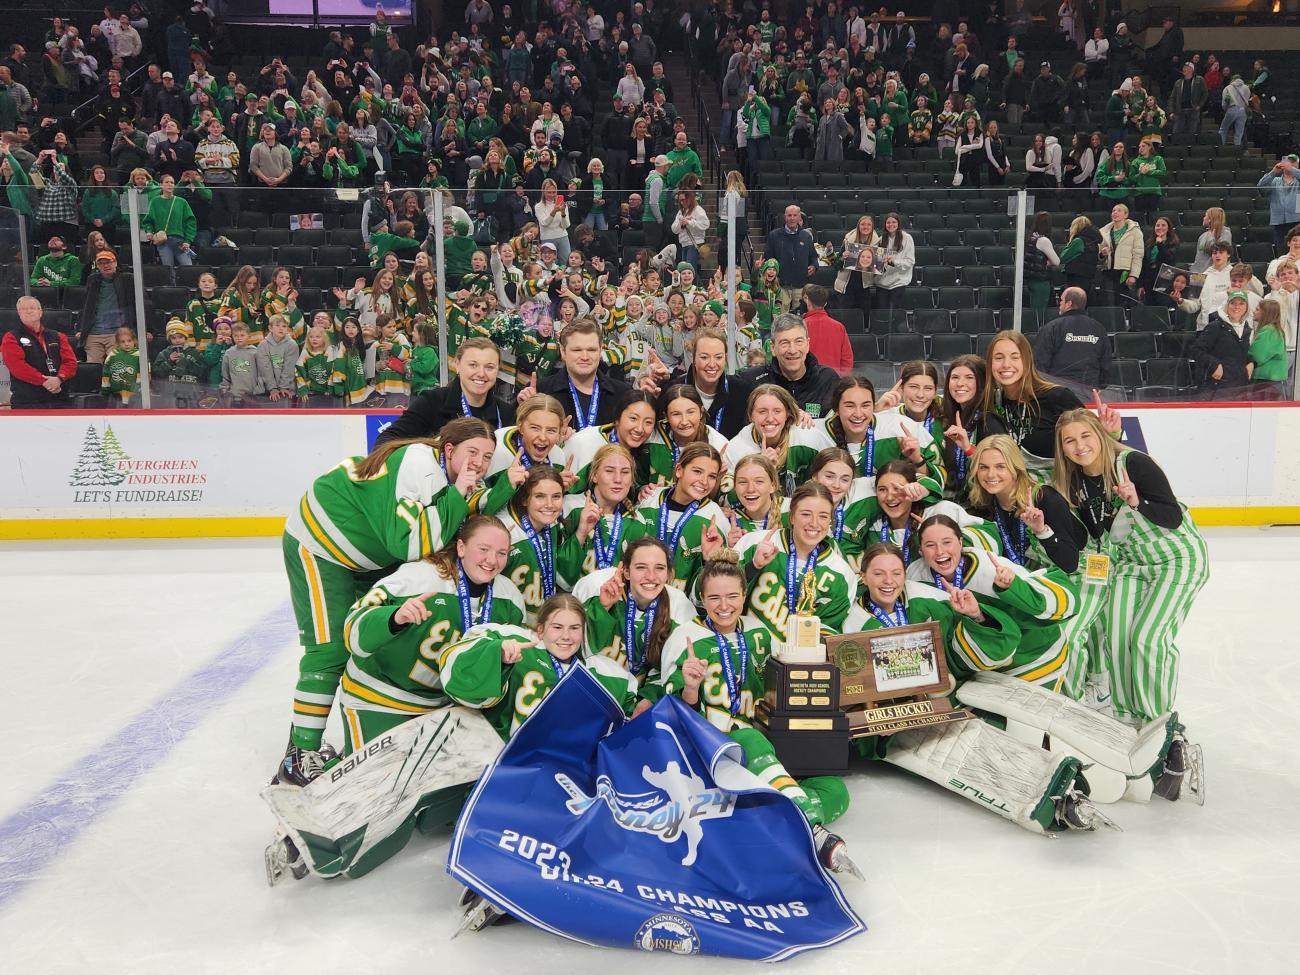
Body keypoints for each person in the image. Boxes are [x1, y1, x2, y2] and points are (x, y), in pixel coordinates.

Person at [273, 419, 497, 786]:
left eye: (487, 456)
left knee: (378, 638)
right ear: (450, 449)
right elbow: (405, 544)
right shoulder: (419, 465)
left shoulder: (449, 472)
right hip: (320, 546)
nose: (480, 462)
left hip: (365, 556)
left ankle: (334, 734)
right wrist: (458, 494)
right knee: (329, 651)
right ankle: (299, 755)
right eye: (472, 452)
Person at [659, 552, 857, 876]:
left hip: (760, 746)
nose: (724, 605)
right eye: (714, 598)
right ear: (703, 600)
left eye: (732, 596)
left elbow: (778, 683)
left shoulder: (758, 632)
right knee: (750, 737)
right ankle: (812, 830)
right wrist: (691, 687)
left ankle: (767, 817)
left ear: (744, 595)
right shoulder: (686, 637)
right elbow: (675, 717)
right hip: (714, 750)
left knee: (835, 790)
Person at [1053, 408, 1208, 721]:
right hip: (1128, 565)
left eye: (1085, 435)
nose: (1079, 445)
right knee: (1118, 640)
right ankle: (1128, 718)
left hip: (1175, 561)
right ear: (1063, 449)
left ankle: (1158, 721)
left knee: (1146, 639)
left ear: (1099, 434)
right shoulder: (1073, 483)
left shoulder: (1133, 463)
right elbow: (1096, 536)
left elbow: (1172, 516)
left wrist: (1137, 502)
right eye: (1070, 441)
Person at [908, 513, 1078, 690]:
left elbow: (1064, 601)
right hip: (981, 671)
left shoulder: (992, 569)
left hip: (1034, 661)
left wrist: (1014, 588)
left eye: (947, 542)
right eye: (930, 545)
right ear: (920, 550)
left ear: (960, 542)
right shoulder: (915, 575)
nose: (940, 551)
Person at [736, 482, 858, 635]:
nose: (814, 523)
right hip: (749, 652)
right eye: (806, 514)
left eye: (823, 516)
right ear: (792, 516)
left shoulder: (842, 574)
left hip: (803, 658)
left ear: (830, 521)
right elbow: (715, 596)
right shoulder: (754, 543)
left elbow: (828, 636)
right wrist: (754, 566)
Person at [984, 331, 1090, 476]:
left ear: (1027, 360)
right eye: (998, 358)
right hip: (1013, 488)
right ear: (990, 363)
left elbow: (1092, 444)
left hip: (1058, 489)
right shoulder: (993, 402)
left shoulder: (1057, 397)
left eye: (1015, 357)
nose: (1006, 364)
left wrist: (1113, 433)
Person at [378, 338, 515, 443]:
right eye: (473, 365)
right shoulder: (432, 402)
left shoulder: (505, 413)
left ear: (498, 370)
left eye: (489, 367)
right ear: (457, 365)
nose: (481, 373)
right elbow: (386, 440)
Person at [740, 314, 841, 418]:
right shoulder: (751, 380)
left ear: (807, 344)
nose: (792, 350)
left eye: (799, 342)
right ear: (773, 348)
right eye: (785, 343)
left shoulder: (828, 380)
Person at [1, 296, 77, 408]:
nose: (28, 311)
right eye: (23, 309)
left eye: (32, 307)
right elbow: (17, 366)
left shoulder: (58, 336)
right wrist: (43, 381)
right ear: (19, 313)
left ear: (40, 312)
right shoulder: (11, 337)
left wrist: (59, 378)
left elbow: (70, 362)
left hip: (59, 397)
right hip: (27, 401)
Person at [1033, 287, 1112, 388]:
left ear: (1069, 303)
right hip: (1090, 393)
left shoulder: (1052, 328)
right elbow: (1106, 364)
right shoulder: (1099, 329)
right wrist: (1100, 387)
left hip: (1058, 392)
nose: (1059, 304)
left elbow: (1040, 363)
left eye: (1061, 300)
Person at [77, 250, 135, 365]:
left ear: (115, 263)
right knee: (92, 368)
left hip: (116, 333)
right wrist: (81, 329)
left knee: (116, 366)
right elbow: (87, 306)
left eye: (108, 262)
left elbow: (140, 303)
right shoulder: (92, 280)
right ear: (97, 266)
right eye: (102, 263)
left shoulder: (127, 279)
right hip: (93, 334)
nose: (106, 265)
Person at [1190, 289, 1252, 390]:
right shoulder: (1215, 326)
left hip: (1239, 386)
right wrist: (1215, 365)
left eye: (1241, 303)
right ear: (1227, 305)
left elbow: (1240, 353)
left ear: (1246, 308)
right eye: (1233, 303)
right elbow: (1196, 350)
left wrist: (1251, 362)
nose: (1237, 307)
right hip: (1216, 387)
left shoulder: (1246, 328)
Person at [764, 205, 816, 312]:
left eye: (795, 215)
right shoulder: (774, 235)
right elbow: (768, 258)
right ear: (785, 217)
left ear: (799, 218)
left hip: (800, 284)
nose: (792, 218)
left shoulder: (806, 236)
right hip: (781, 285)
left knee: (800, 317)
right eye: (789, 215)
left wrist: (814, 266)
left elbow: (813, 256)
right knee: (781, 318)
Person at [801, 285, 853, 375]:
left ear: (807, 301)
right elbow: (847, 359)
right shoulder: (839, 327)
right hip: (834, 381)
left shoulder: (801, 326)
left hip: (807, 381)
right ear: (825, 303)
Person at [1098, 203, 1144, 306]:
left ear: (1126, 215)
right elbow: (1099, 255)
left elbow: (1138, 256)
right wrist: (1102, 254)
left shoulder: (1135, 232)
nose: (1115, 212)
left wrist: (1133, 275)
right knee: (1108, 302)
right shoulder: (1105, 232)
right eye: (1113, 210)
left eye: (1119, 210)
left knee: (1122, 302)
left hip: (1124, 273)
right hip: (1108, 272)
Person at [873, 211, 915, 312]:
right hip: (881, 283)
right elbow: (875, 261)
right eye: (888, 222)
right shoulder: (881, 239)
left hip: (898, 282)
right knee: (882, 315)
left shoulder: (907, 238)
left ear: (898, 223)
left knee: (895, 315)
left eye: (894, 222)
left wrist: (894, 262)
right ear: (885, 224)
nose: (891, 225)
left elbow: (910, 261)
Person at [1257, 156, 1300, 252]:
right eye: (1287, 162)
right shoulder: (1275, 181)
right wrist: (1273, 172)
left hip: (1298, 222)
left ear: (1297, 165)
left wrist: (1292, 170)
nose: (1289, 164)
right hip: (1279, 223)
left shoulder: (1298, 180)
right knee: (1281, 252)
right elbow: (1261, 187)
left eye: (1293, 162)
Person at [1248, 299, 1289, 388]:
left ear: (1266, 313)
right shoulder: (1274, 330)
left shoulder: (1268, 331)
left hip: (1267, 381)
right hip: (1273, 380)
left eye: (1257, 309)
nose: (1254, 312)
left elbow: (1257, 356)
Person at [1167, 63, 1206, 141]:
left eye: (1187, 67)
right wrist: (1171, 111)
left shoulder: (1199, 79)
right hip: (1180, 111)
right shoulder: (1178, 82)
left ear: (1192, 69)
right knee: (1176, 133)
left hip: (1193, 110)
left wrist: (1200, 105)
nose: (1184, 69)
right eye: (1184, 67)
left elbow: (1205, 93)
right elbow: (1172, 97)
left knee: (1192, 134)